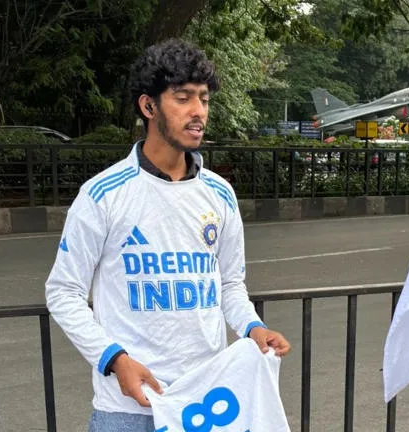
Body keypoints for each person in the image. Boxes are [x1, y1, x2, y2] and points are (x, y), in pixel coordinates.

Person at [45, 38, 291, 432]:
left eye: (204, 99)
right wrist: (115, 360)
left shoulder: (220, 194)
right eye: (183, 98)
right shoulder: (102, 195)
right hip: (126, 408)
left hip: (206, 402)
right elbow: (63, 292)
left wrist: (252, 327)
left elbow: (230, 284)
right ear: (148, 106)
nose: (198, 112)